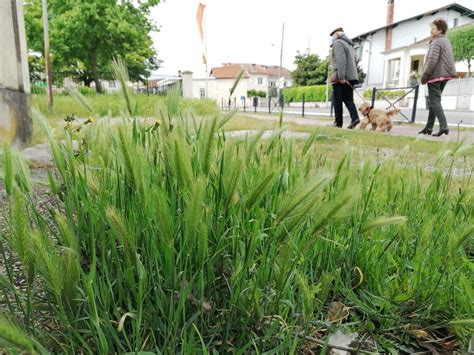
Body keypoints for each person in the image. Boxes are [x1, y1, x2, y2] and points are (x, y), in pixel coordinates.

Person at [418, 19, 457, 137]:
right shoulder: (446, 41)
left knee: (434, 101)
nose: (431, 30)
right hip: (444, 75)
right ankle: (429, 127)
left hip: (435, 75)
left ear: (440, 29)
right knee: (434, 102)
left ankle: (444, 126)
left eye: (433, 28)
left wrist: (425, 76)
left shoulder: (436, 41)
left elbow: (432, 61)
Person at [329, 27, 360, 129]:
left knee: (337, 100)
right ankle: (355, 118)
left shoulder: (337, 43)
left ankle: (338, 123)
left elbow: (341, 60)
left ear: (337, 34)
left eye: (333, 35)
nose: (332, 38)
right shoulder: (350, 45)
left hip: (340, 76)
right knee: (348, 100)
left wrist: (341, 76)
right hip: (351, 76)